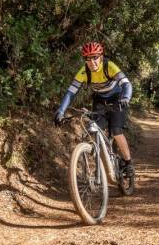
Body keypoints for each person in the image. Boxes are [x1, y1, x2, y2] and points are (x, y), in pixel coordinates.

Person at [54, 42, 135, 177]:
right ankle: (103, 163)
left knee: (116, 130)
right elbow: (70, 92)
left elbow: (126, 84)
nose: (92, 62)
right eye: (88, 58)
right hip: (100, 101)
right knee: (94, 129)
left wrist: (125, 98)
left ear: (101, 57)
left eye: (95, 57)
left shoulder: (109, 66)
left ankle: (128, 163)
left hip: (117, 99)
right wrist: (60, 111)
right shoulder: (84, 71)